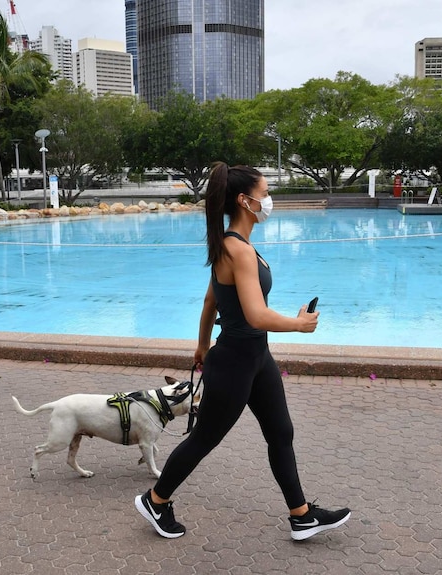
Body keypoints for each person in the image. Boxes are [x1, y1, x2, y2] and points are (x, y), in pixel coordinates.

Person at [134, 162, 351, 541]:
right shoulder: (237, 250)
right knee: (204, 439)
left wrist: (202, 345)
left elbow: (209, 302)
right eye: (264, 193)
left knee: (281, 433)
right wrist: (299, 324)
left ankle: (300, 515)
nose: (268, 200)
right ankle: (156, 500)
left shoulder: (233, 246)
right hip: (236, 361)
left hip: (256, 359)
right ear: (244, 200)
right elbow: (254, 314)